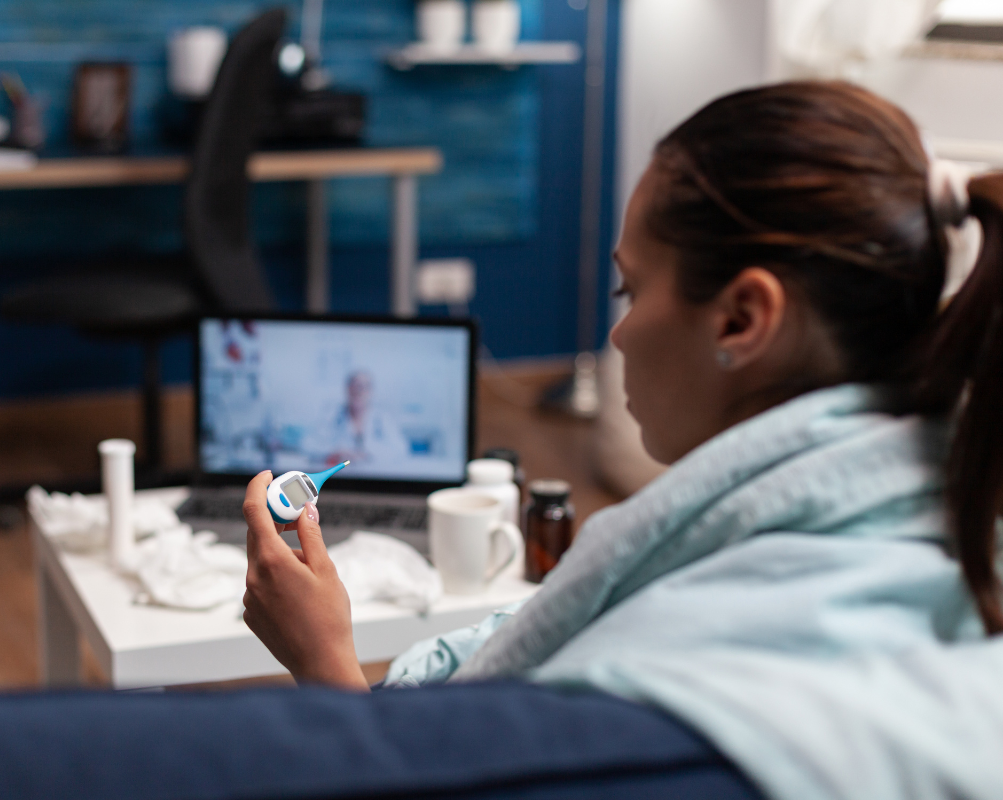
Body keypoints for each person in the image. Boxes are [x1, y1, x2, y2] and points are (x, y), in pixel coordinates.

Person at [240, 82, 1003, 797]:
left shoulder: (687, 677)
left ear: (741, 320)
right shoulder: (939, 504)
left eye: (630, 290)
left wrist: (323, 658)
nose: (620, 331)